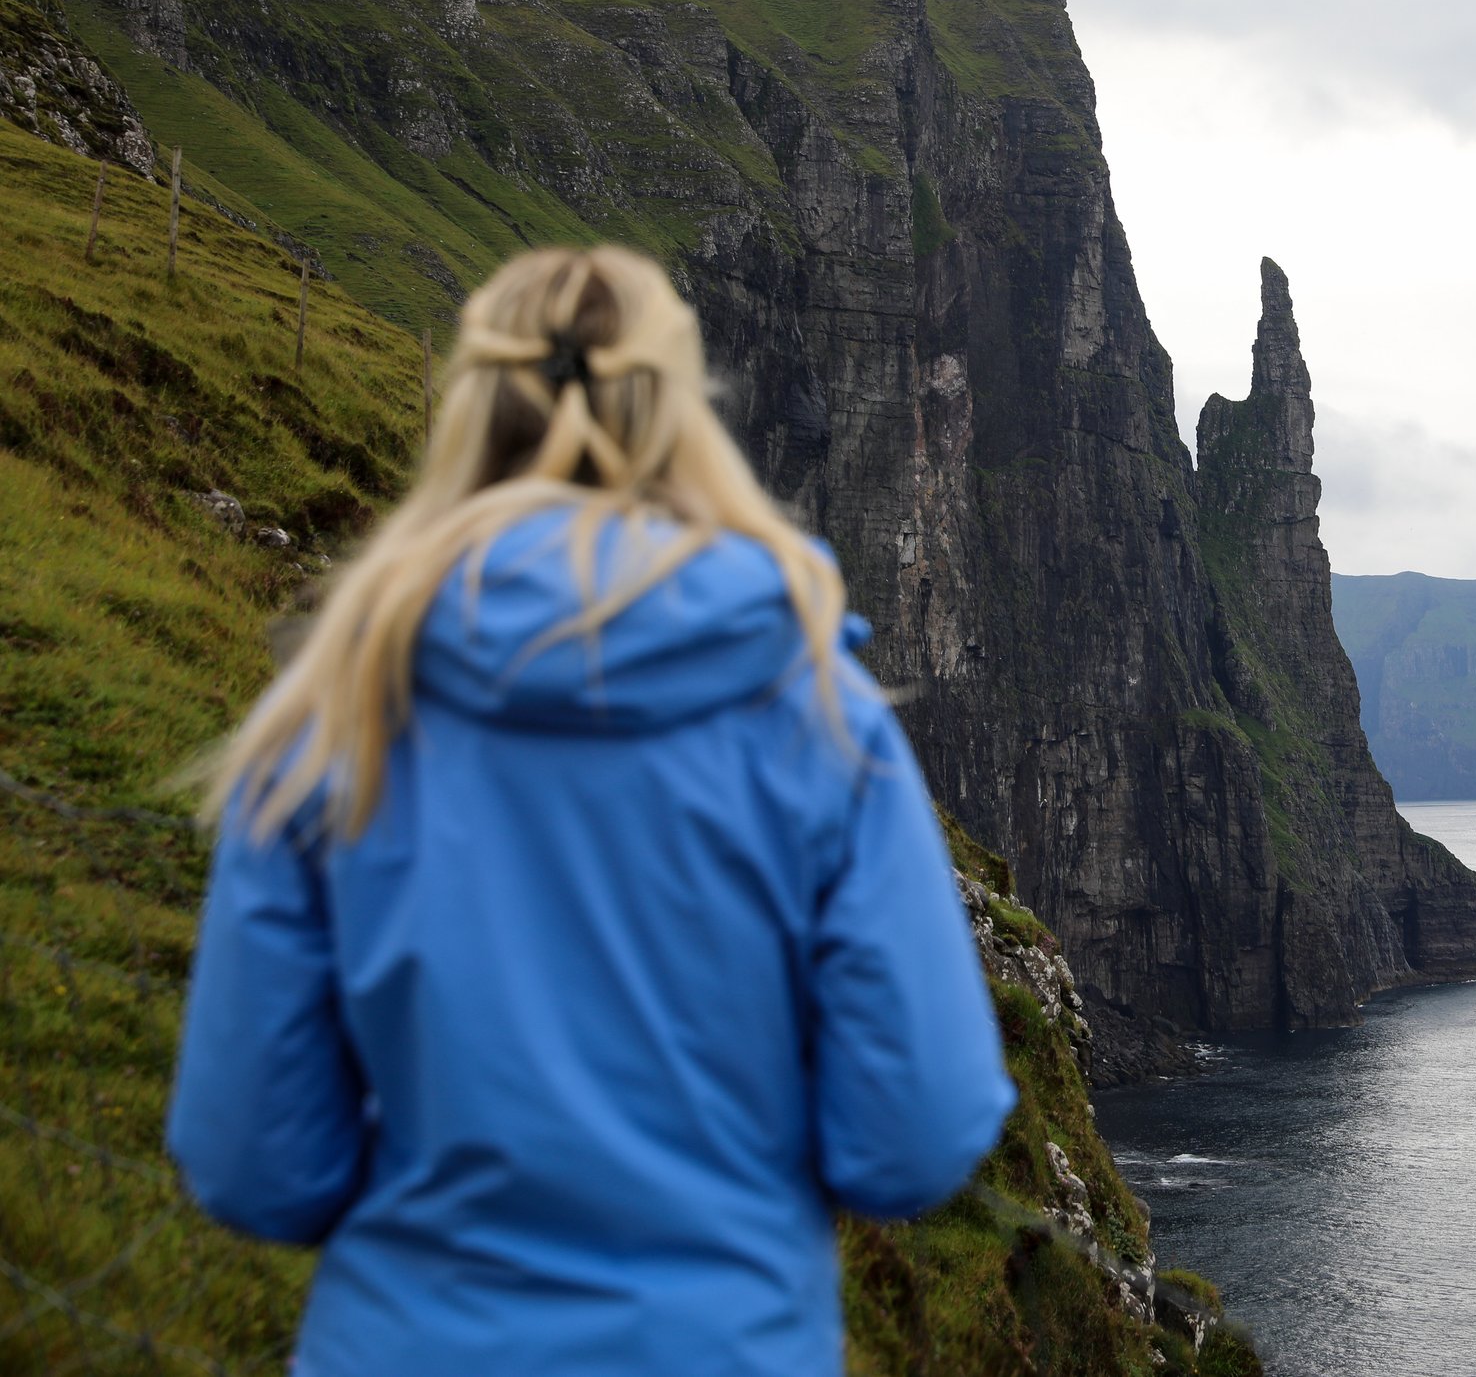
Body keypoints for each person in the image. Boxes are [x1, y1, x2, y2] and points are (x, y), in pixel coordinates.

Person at [168, 245, 1015, 1375]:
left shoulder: (333, 721)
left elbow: (254, 1161)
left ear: (470, 404)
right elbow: (912, 1133)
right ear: (681, 411)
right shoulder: (813, 712)